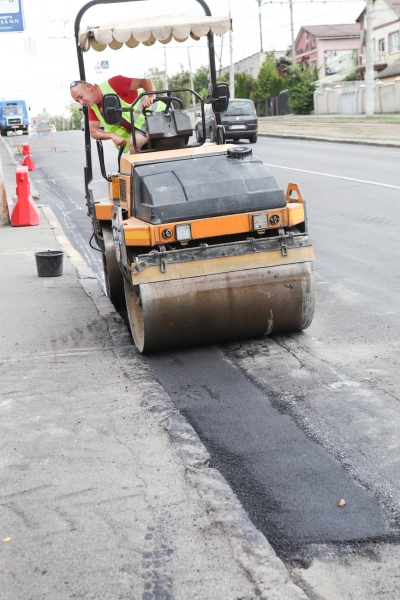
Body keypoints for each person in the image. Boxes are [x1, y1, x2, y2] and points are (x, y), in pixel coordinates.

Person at [70, 76, 159, 154]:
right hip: (141, 129)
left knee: (136, 141)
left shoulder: (114, 83)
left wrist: (151, 97)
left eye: (80, 97)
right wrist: (112, 135)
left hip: (158, 115)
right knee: (134, 142)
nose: (81, 102)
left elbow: (144, 81)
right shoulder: (93, 107)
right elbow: (94, 131)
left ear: (88, 87)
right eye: (78, 101)